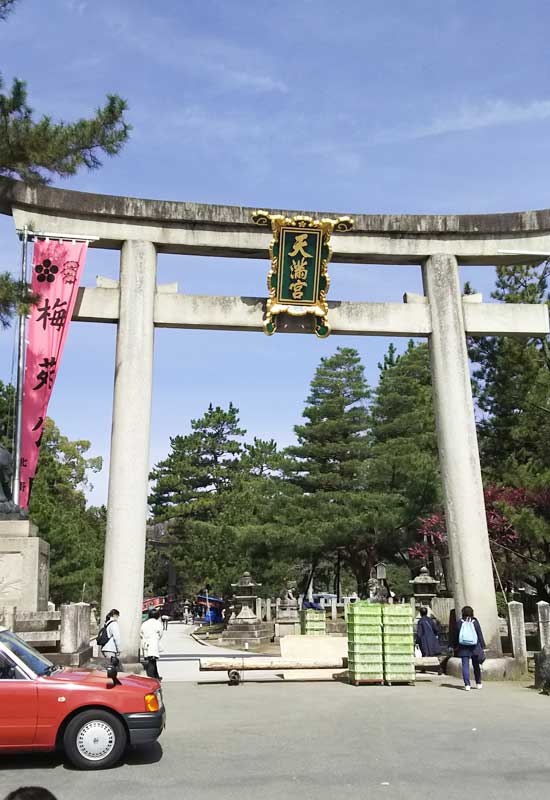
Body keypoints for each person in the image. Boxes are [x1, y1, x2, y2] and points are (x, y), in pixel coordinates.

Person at [453, 605, 486, 690]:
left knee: (465, 666)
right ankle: (478, 683)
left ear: (463, 613)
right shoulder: (474, 621)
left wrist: (454, 645)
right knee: (476, 665)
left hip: (463, 646)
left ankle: (467, 684)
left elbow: (456, 635)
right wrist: (482, 645)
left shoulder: (460, 622)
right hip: (474, 646)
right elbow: (479, 633)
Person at [140, 608, 163, 680]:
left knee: (151, 660)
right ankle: (151, 678)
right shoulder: (158, 623)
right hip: (153, 642)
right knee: (151, 661)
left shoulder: (145, 623)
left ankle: (156, 675)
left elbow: (141, 633)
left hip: (146, 641)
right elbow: (160, 633)